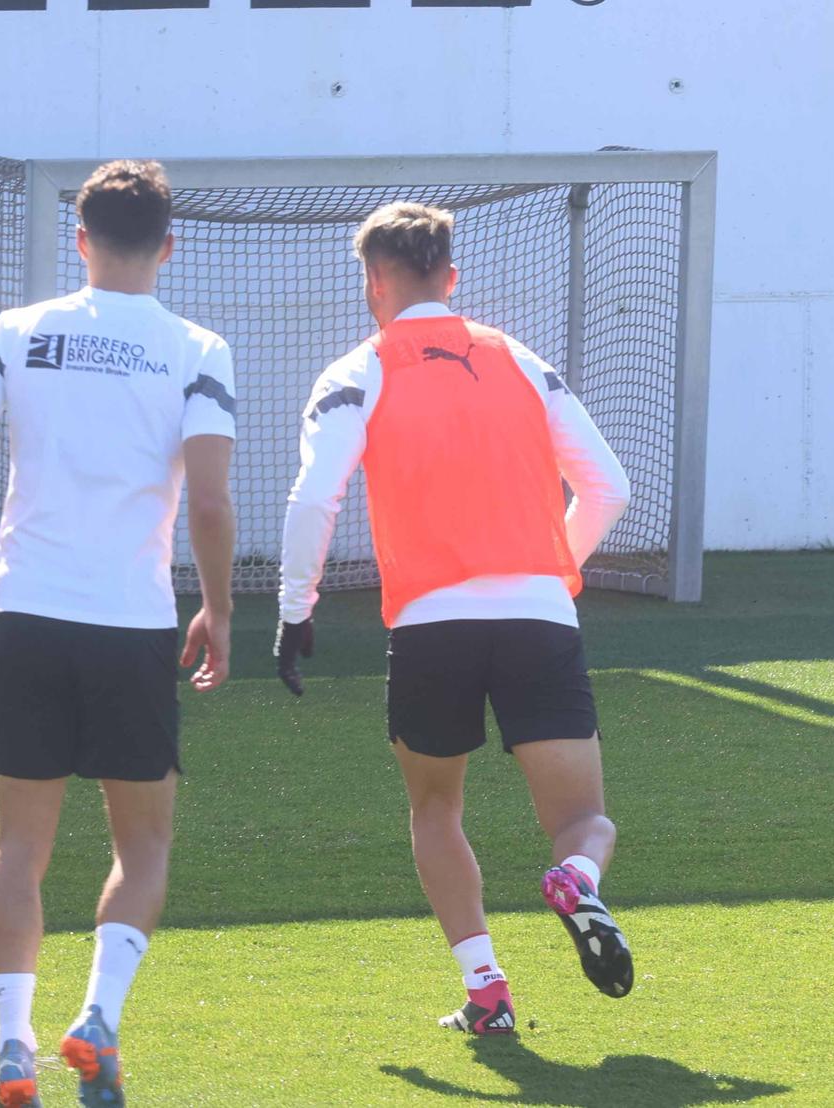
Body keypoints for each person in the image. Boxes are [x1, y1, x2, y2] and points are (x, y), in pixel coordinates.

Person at [0, 159, 236, 1107]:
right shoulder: (197, 346)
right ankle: (96, 1020)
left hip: (28, 617)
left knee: (20, 848)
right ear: (169, 245)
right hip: (132, 626)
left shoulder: (18, 331)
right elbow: (213, 500)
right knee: (143, 851)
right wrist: (218, 609)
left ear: (81, 239)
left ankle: (12, 1049)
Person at [273, 201, 633, 1035]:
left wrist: (297, 609)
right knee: (585, 822)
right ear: (452, 276)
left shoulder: (356, 370)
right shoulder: (519, 361)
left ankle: (487, 992)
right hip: (542, 618)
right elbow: (610, 486)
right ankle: (577, 877)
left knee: (436, 810)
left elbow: (314, 496)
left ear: (373, 283)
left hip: (432, 625)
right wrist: (553, 569)